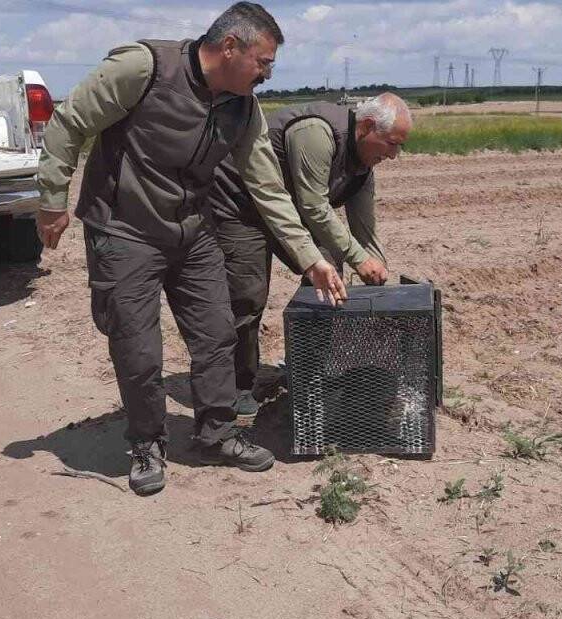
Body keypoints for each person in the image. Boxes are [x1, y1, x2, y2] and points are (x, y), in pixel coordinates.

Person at [34, 2, 347, 496]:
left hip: (192, 231)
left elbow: (268, 188)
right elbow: (68, 122)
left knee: (218, 331)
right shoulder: (144, 68)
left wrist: (311, 258)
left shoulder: (242, 108)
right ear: (229, 48)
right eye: (264, 62)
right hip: (124, 229)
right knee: (138, 346)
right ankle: (146, 443)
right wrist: (53, 199)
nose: (268, 74)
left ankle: (218, 434)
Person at [210, 94, 412, 412]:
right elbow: (315, 206)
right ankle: (237, 385)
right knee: (247, 293)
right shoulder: (316, 133)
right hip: (240, 203)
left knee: (329, 274)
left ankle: (306, 369)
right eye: (391, 144)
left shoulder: (363, 168)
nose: (394, 155)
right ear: (368, 126)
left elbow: (365, 230)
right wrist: (359, 260)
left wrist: (377, 276)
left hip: (288, 208)